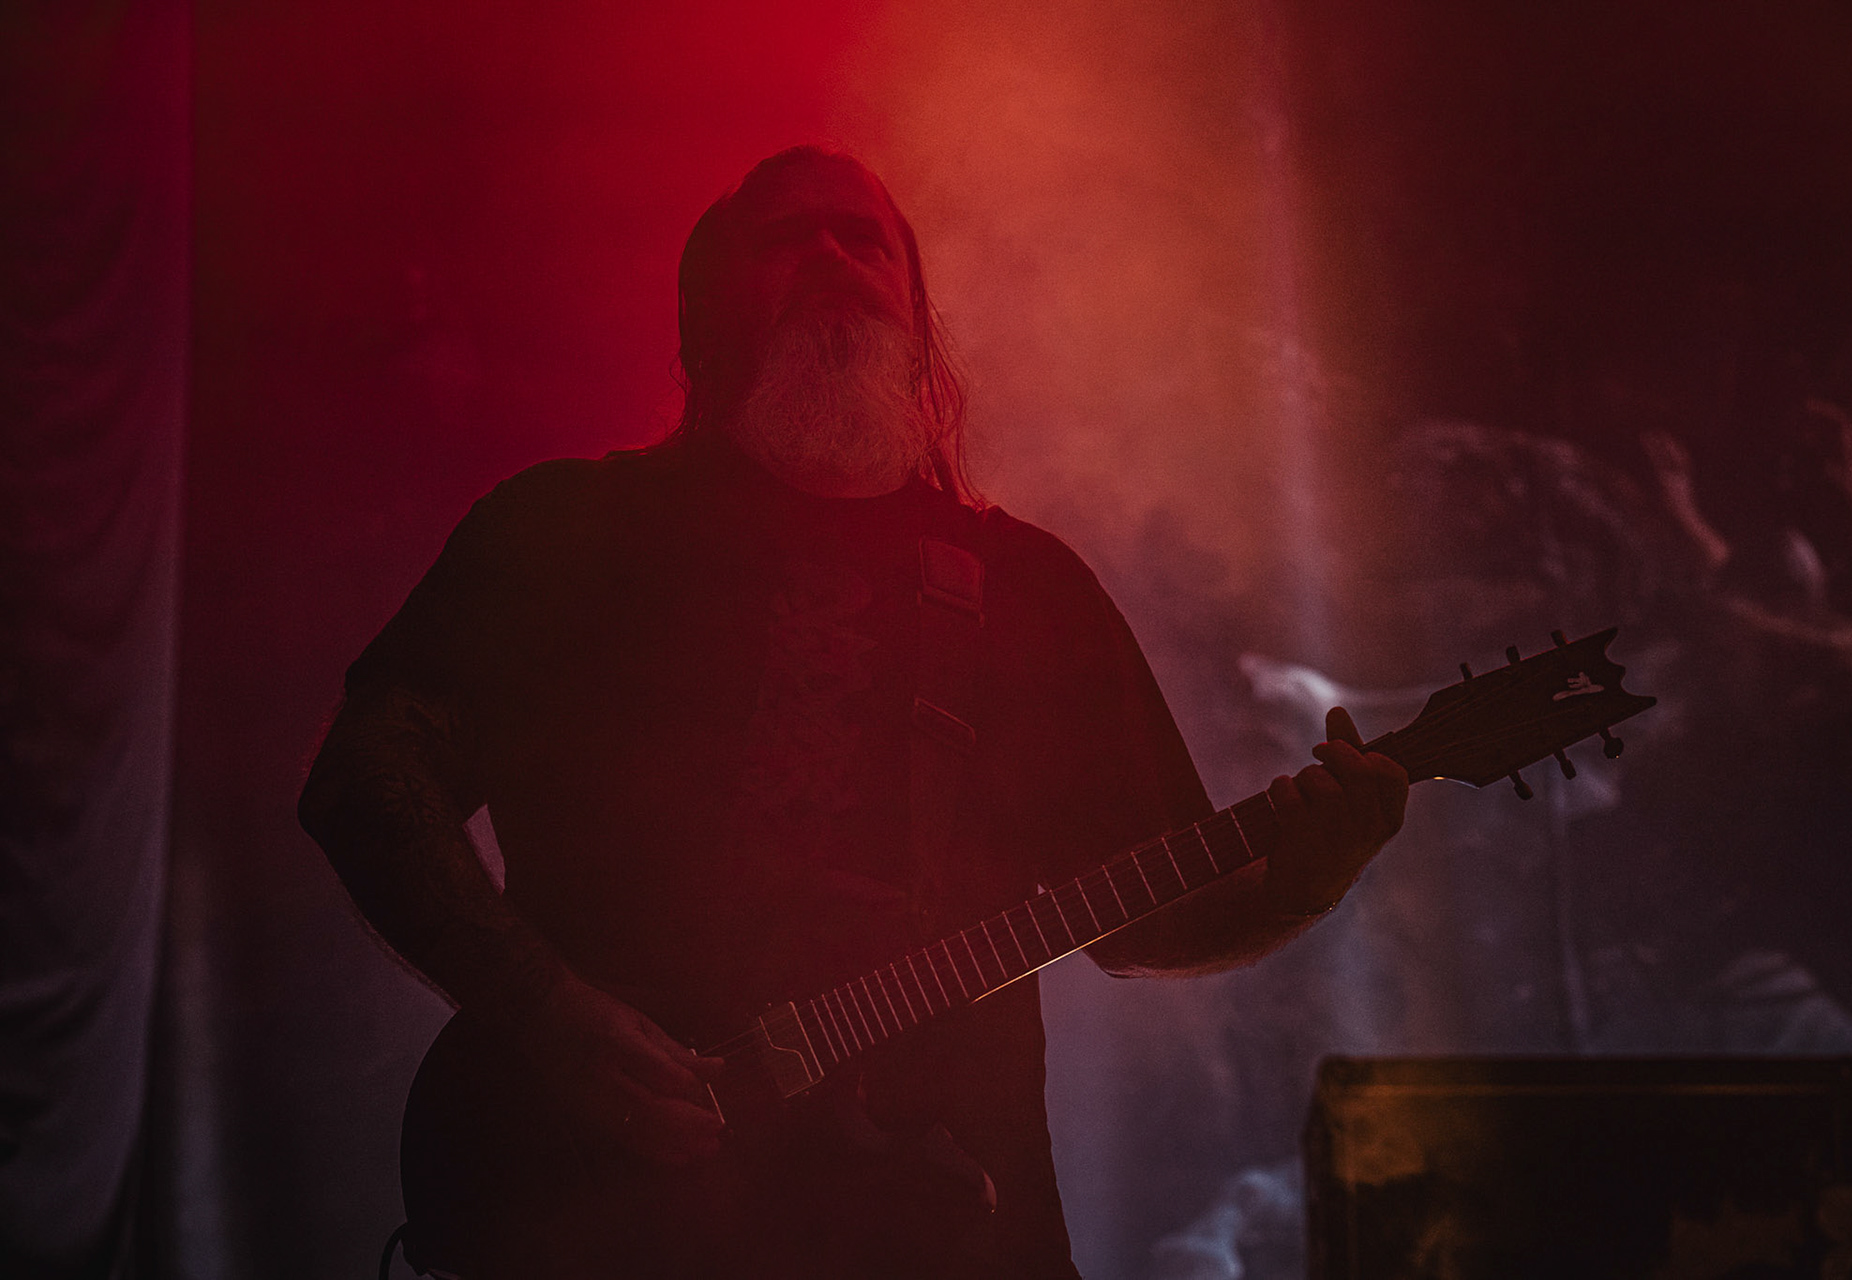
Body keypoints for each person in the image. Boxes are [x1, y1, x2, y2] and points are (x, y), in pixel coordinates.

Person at [297, 145, 1408, 1280]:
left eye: (862, 238)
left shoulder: (1029, 589)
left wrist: (1307, 878)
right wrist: (548, 1011)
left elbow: (1151, 913)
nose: (829, 254)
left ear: (920, 325)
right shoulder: (566, 534)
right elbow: (367, 778)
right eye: (784, 239)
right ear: (702, 326)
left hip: (951, 1227)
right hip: (588, 1217)